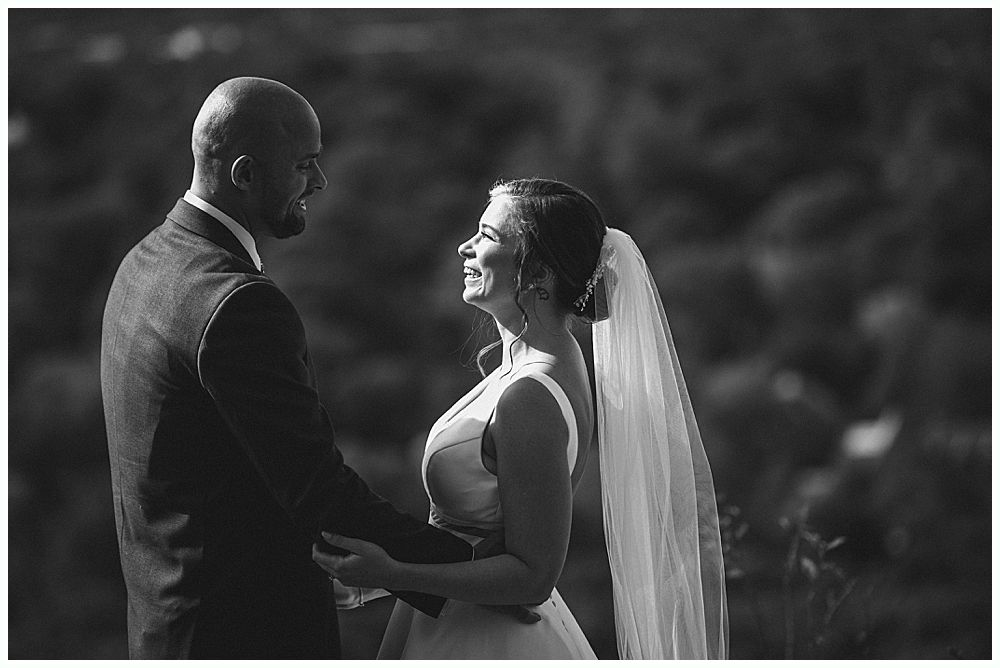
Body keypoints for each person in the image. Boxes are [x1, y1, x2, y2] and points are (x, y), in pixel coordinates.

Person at [100, 77, 480, 659]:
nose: (320, 183)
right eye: (304, 165)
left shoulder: (143, 262)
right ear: (245, 174)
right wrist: (475, 576)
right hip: (243, 636)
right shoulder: (237, 305)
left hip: (165, 630)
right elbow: (315, 486)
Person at [313, 178, 730, 659]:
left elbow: (533, 575)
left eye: (488, 237)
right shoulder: (542, 363)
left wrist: (394, 574)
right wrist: (378, 582)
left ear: (541, 275)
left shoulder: (530, 394)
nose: (464, 248)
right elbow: (481, 540)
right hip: (457, 618)